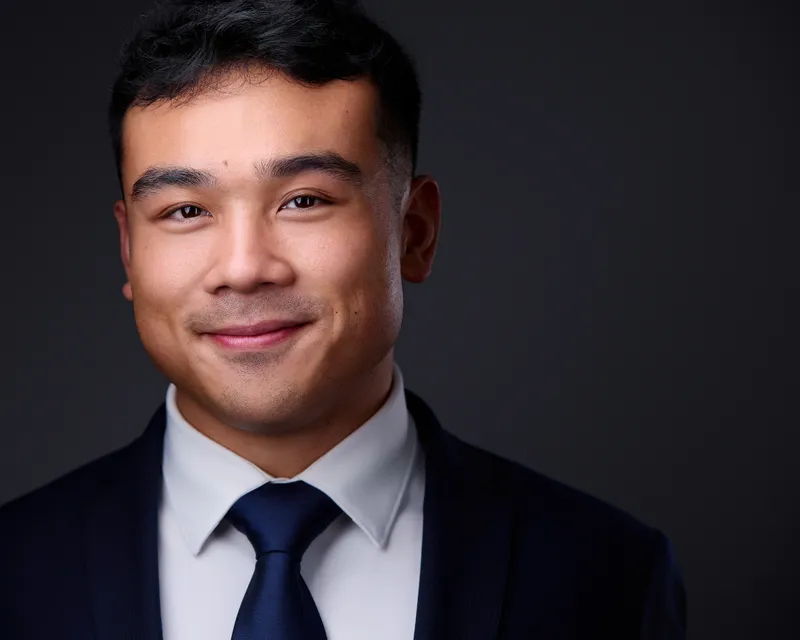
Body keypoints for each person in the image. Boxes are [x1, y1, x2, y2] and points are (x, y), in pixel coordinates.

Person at [0, 0, 686, 638]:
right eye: (185, 211)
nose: (243, 268)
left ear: (415, 231)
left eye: (303, 201)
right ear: (129, 249)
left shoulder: (610, 574)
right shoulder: (16, 571)